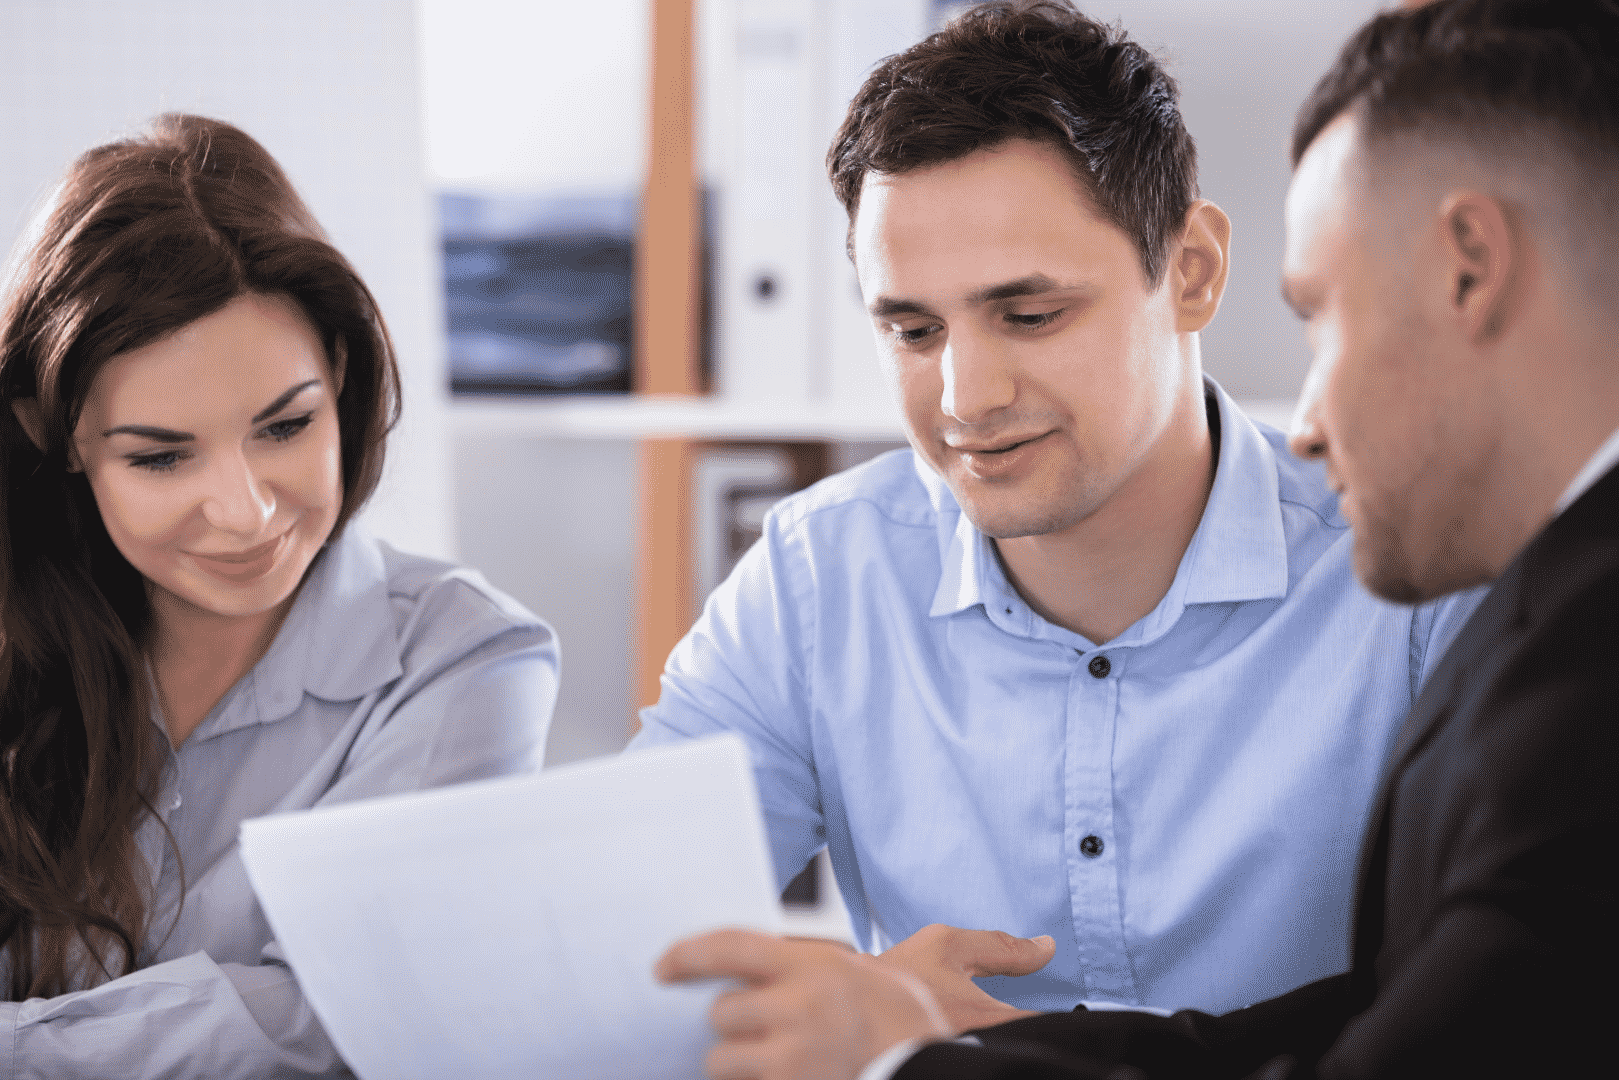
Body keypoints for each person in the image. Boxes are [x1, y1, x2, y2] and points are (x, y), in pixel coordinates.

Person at [658, 0, 1619, 1076]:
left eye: (1030, 316)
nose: (966, 398)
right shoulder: (812, 578)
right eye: (913, 330)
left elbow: (1463, 1028)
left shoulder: (1433, 550)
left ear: (1195, 271)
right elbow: (624, 948)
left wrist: (935, 1061)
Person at [0, 114, 558, 1080]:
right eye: (160, 456)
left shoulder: (468, 663)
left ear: (343, 375)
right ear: (55, 437)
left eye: (286, 426)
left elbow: (329, 1021)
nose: (244, 512)